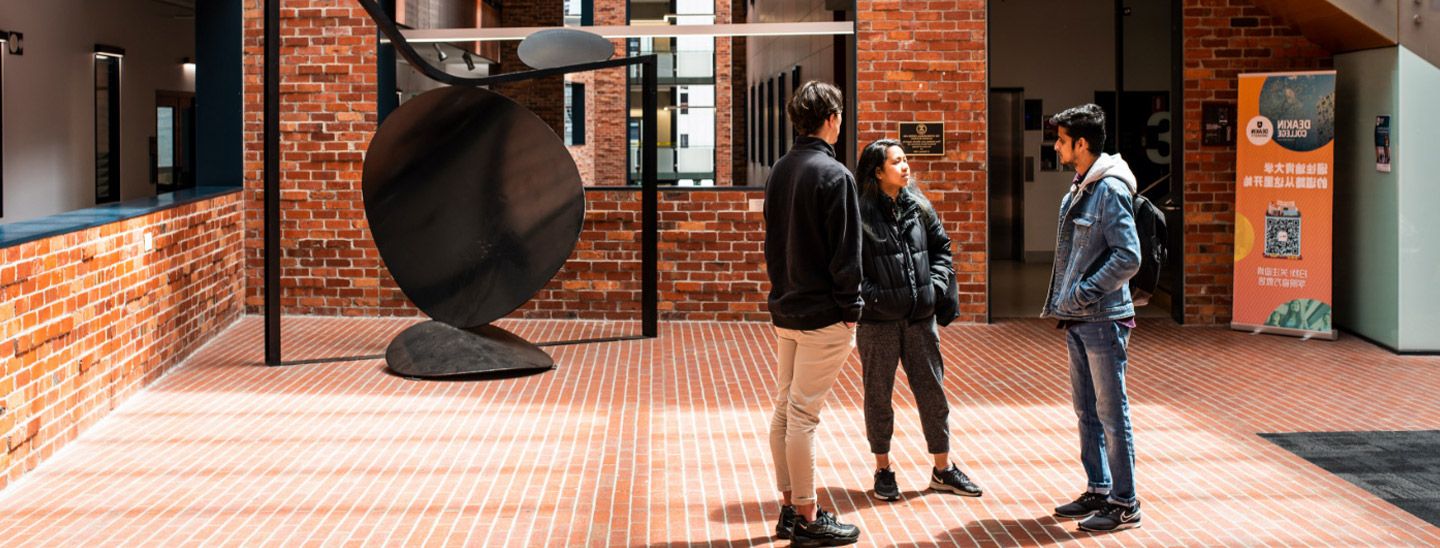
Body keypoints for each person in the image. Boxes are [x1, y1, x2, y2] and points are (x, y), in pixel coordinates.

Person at [852, 139, 983, 502]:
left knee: (932, 393)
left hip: (920, 319)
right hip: (878, 323)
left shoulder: (919, 206)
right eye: (897, 162)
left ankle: (943, 469)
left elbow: (942, 248)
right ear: (878, 172)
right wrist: (874, 297)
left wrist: (936, 287)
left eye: (906, 160)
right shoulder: (860, 214)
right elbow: (850, 268)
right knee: (878, 398)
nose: (906, 167)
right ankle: (883, 469)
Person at [763, 80, 863, 547]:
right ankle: (807, 516)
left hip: (787, 310)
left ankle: (788, 508)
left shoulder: (781, 170)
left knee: (785, 410)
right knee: (802, 416)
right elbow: (847, 253)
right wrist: (852, 310)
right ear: (830, 118)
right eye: (839, 114)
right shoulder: (835, 175)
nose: (840, 122)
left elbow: (771, 244)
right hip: (824, 315)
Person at [1041, 104, 1144, 532]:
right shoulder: (1082, 186)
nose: (1057, 146)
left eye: (1062, 140)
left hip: (1103, 317)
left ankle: (1125, 502)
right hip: (1080, 318)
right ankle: (1098, 488)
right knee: (1087, 410)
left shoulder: (1111, 189)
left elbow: (1129, 255)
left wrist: (1084, 291)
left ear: (1082, 143)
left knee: (1111, 411)